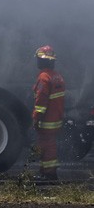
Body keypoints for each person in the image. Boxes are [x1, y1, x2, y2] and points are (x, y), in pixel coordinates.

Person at [32, 45, 65, 181]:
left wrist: (36, 117)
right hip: (56, 118)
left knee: (47, 145)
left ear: (44, 61)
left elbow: (41, 100)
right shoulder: (57, 77)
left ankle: (50, 174)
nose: (38, 62)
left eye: (39, 59)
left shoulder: (44, 77)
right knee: (47, 144)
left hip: (46, 119)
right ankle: (44, 171)